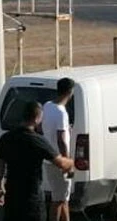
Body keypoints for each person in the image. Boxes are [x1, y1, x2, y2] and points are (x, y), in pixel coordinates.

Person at [0, 101, 74, 221]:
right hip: (32, 200)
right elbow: (61, 163)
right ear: (37, 118)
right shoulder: (37, 140)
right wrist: (72, 162)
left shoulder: (6, 138)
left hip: (12, 198)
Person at [41, 78, 75, 221]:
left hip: (48, 159)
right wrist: (67, 163)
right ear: (70, 92)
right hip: (59, 161)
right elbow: (61, 140)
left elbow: (41, 127)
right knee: (58, 200)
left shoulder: (47, 106)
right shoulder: (62, 113)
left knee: (63, 197)